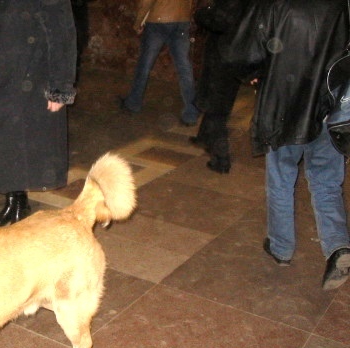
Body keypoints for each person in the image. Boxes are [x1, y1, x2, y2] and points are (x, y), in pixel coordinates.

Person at [221, 0, 350, 290]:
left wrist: (254, 73)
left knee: (281, 177)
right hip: (331, 104)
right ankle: (338, 246)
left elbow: (242, 52)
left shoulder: (275, 3)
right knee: (326, 182)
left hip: (284, 104)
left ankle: (281, 248)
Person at [0, 0, 77, 228]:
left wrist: (59, 87)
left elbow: (62, 32)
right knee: (2, 141)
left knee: (16, 142)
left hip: (27, 73)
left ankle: (17, 202)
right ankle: (14, 199)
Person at [120, 0, 200, 126]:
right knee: (184, 68)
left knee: (145, 64)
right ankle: (191, 112)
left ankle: (133, 103)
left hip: (158, 20)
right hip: (182, 20)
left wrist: (138, 22)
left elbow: (146, 2)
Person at [191, 0, 246, 174]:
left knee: (217, 110)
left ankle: (222, 159)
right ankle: (203, 136)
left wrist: (201, 14)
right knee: (216, 103)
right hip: (233, 56)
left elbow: (219, 20)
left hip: (224, 58)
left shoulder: (233, 4)